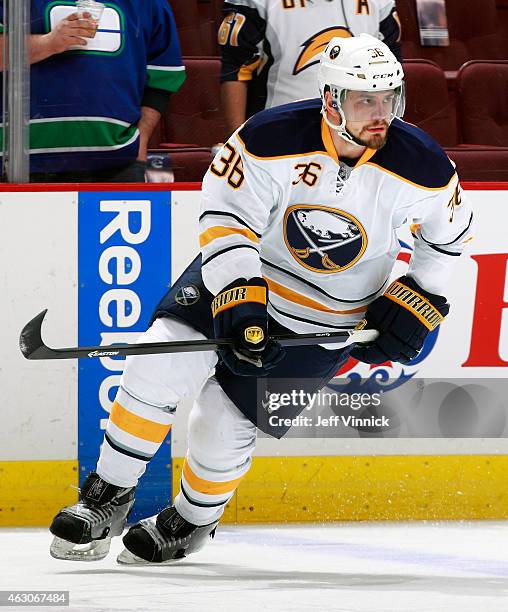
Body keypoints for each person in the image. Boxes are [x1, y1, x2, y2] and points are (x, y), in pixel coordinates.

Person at [48, 34, 473, 564]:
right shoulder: (269, 136)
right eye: (366, 99)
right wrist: (242, 296)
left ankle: (192, 520)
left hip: (328, 316)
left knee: (222, 422)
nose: (380, 112)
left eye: (390, 98)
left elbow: (449, 243)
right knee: (157, 359)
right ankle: (107, 496)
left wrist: (418, 299)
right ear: (331, 99)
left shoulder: (426, 166)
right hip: (243, 279)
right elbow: (227, 216)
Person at [0, 1, 185, 182]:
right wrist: (48, 42)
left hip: (120, 163)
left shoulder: (149, 4)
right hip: (22, 163)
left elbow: (163, 76)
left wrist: (141, 141)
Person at [220, 0, 402, 138]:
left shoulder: (380, 3)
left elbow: (393, 72)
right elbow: (237, 71)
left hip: (359, 132)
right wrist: (237, 143)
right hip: (280, 132)